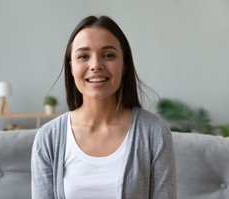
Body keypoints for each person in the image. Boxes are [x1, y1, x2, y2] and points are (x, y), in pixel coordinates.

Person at [31, 15, 176, 199]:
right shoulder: (48, 138)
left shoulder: (154, 133)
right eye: (83, 56)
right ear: (71, 68)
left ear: (124, 66)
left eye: (108, 55)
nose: (95, 65)